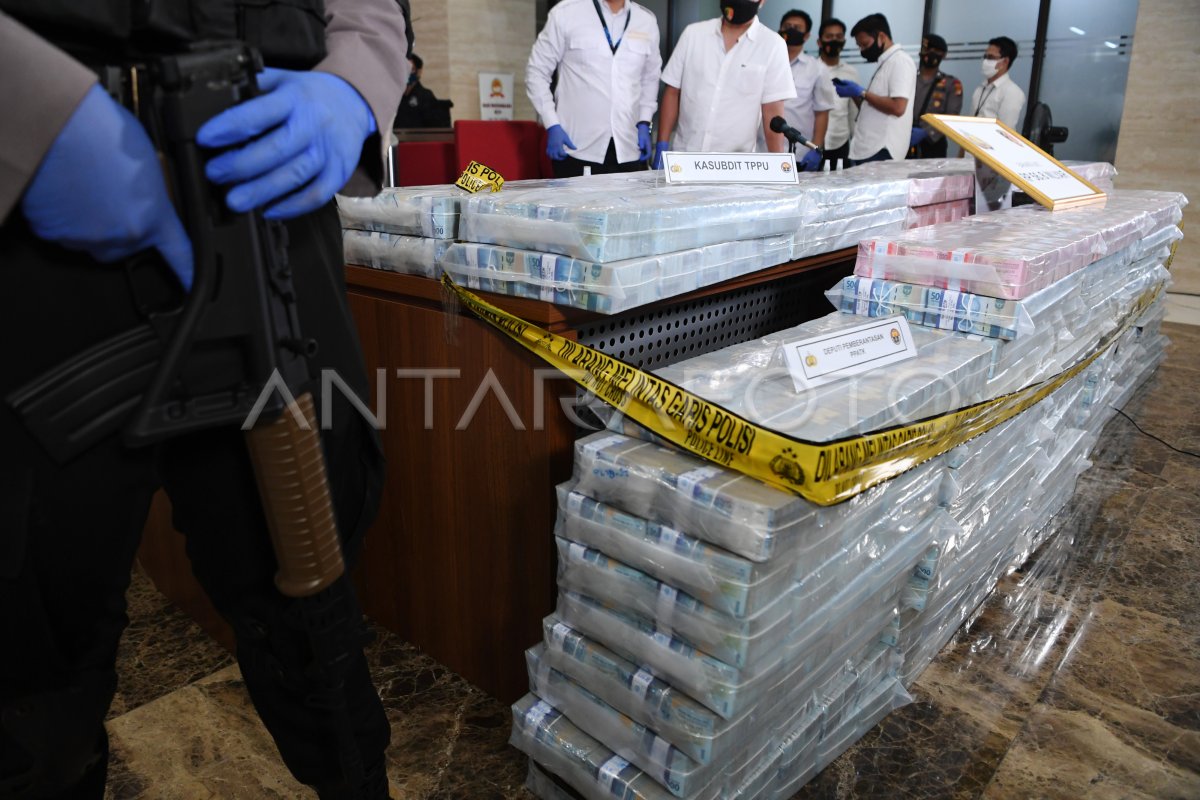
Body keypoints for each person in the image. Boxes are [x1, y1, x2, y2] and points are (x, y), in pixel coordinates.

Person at [0, 2, 408, 797]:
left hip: (271, 184)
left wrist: (356, 85)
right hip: (35, 206)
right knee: (29, 667)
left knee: (316, 618)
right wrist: (23, 106)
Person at [526, 0, 662, 178]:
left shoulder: (646, 21)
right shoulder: (567, 13)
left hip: (630, 147)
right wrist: (552, 124)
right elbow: (536, 72)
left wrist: (645, 121)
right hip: (578, 148)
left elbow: (650, 78)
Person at [654, 0, 795, 166]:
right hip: (684, 159)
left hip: (735, 166)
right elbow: (672, 92)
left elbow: (773, 111)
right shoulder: (693, 34)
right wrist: (661, 145)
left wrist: (778, 167)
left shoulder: (772, 44)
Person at [832, 13, 916, 165]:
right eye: (859, 46)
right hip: (868, 148)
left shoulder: (900, 61)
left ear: (882, 36)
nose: (862, 50)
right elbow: (872, 107)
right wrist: (854, 94)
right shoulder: (886, 62)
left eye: (865, 44)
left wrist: (862, 92)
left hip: (882, 149)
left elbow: (898, 107)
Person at [773, 9, 835, 171]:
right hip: (763, 149)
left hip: (798, 151)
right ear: (780, 29)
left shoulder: (817, 69)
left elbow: (822, 112)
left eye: (797, 28)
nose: (791, 30)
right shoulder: (767, 62)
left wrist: (816, 148)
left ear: (807, 35)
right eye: (787, 26)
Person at [909, 34, 963, 159]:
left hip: (933, 144)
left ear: (943, 55)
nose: (931, 54)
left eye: (936, 51)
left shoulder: (952, 84)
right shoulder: (909, 78)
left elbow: (952, 117)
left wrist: (926, 132)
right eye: (927, 49)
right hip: (905, 139)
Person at [817, 17, 858, 169]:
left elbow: (853, 112)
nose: (834, 41)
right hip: (811, 142)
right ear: (819, 42)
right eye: (829, 37)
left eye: (838, 37)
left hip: (840, 142)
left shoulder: (851, 72)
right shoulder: (810, 69)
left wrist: (855, 144)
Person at [970, 36, 1026, 130]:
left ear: (1005, 61)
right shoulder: (980, 88)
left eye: (991, 57)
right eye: (985, 57)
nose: (985, 61)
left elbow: (1006, 131)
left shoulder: (1012, 92)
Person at [395, 53, 452, 128]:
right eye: (404, 69)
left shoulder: (425, 96)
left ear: (419, 72)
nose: (406, 73)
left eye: (411, 70)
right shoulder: (394, 95)